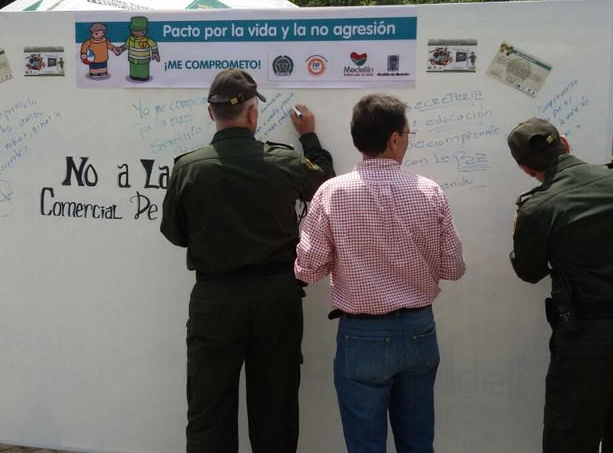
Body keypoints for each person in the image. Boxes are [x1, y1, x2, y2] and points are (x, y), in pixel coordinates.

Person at [160, 68, 334, 453]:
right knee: (275, 410)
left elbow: (174, 233)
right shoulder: (283, 161)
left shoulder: (189, 167)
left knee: (209, 412)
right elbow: (326, 186)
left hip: (215, 300)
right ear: (253, 114)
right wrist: (309, 137)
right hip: (276, 297)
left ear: (211, 113)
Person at [295, 94, 467, 453]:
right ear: (394, 139)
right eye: (408, 132)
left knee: (365, 445)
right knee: (418, 442)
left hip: (362, 336)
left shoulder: (331, 193)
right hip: (419, 331)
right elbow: (453, 267)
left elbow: (307, 269)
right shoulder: (430, 191)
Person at [507, 118, 613, 453]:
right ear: (564, 144)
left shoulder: (538, 206)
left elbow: (528, 271)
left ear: (524, 168)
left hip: (588, 338)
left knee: (570, 439)